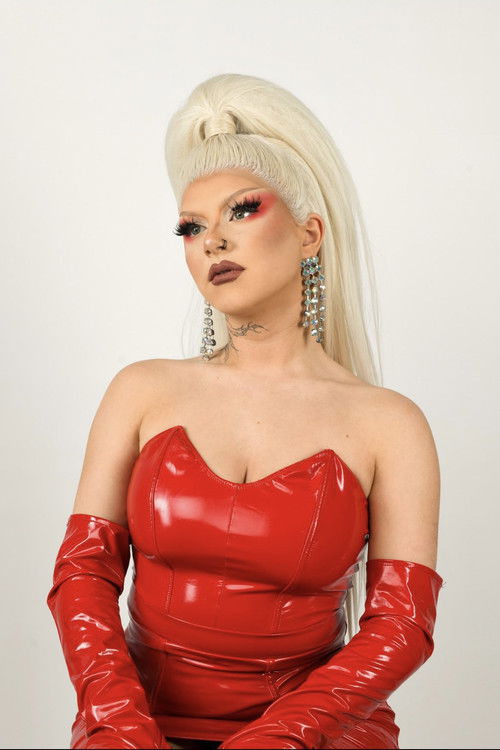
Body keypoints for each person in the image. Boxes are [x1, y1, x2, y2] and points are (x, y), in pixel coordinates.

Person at [46, 73, 445, 750]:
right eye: (192, 226)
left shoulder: (389, 425)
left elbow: (402, 627)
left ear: (310, 234)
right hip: (137, 725)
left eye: (242, 211)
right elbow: (83, 574)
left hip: (316, 736)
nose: (213, 242)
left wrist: (277, 739)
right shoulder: (141, 392)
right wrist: (121, 727)